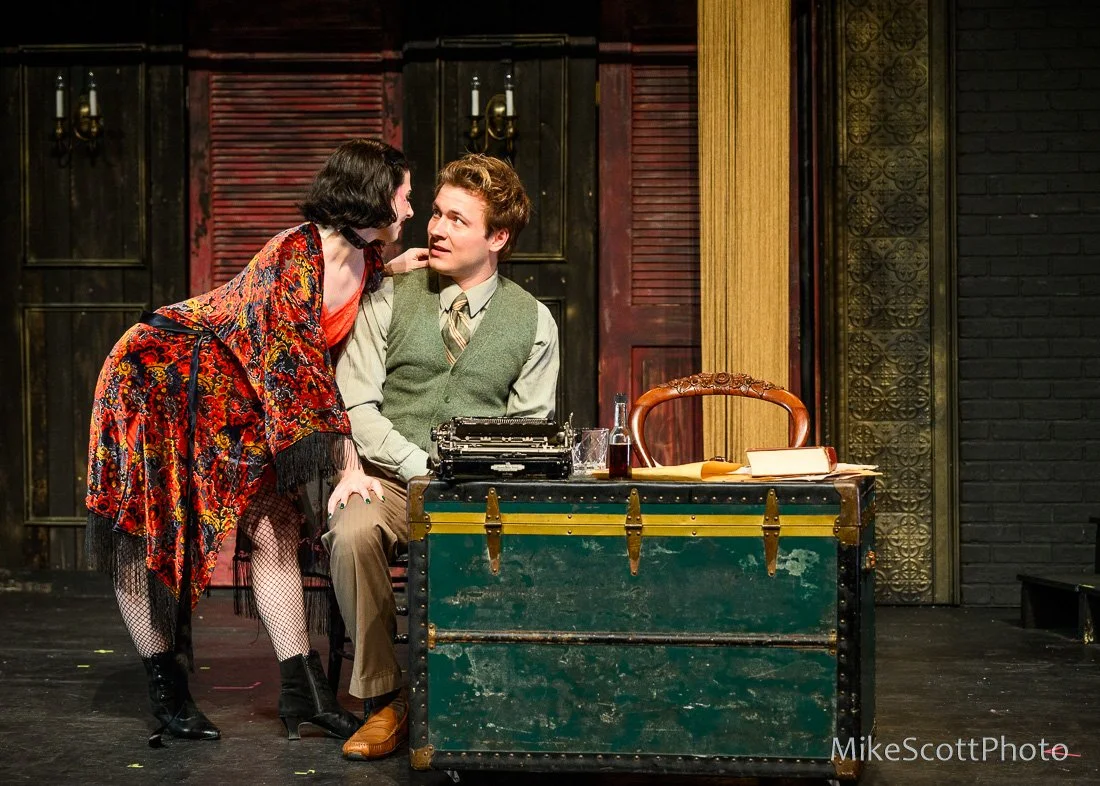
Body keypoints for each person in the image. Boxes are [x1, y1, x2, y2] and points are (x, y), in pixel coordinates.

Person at [84, 138, 428, 747]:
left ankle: (304, 695)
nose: (410, 207)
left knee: (275, 527)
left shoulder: (361, 255)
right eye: (403, 195)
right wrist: (349, 467)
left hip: (234, 398)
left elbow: (327, 331)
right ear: (374, 195)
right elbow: (299, 375)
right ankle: (167, 691)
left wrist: (395, 268)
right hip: (160, 379)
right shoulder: (294, 257)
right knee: (147, 529)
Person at [327, 153, 560, 760]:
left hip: (481, 492)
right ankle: (386, 698)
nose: (436, 229)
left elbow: (527, 430)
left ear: (497, 238)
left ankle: (491, 691)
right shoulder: (386, 295)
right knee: (352, 531)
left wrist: (473, 477)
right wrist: (421, 469)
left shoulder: (535, 322)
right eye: (435, 213)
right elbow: (357, 406)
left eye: (458, 219)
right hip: (390, 481)